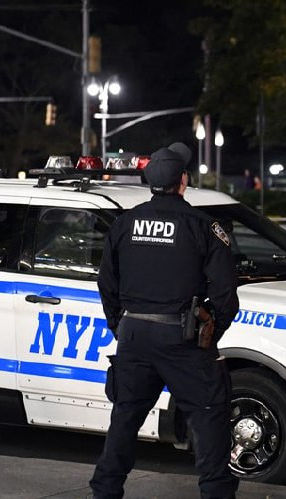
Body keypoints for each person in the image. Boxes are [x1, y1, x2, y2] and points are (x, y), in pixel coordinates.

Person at [90, 142, 239, 499]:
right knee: (209, 418)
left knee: (124, 420)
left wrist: (119, 325)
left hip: (133, 335)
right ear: (183, 180)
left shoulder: (125, 223)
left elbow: (106, 282)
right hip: (182, 339)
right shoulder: (203, 226)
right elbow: (225, 293)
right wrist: (210, 333)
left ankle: (104, 492)